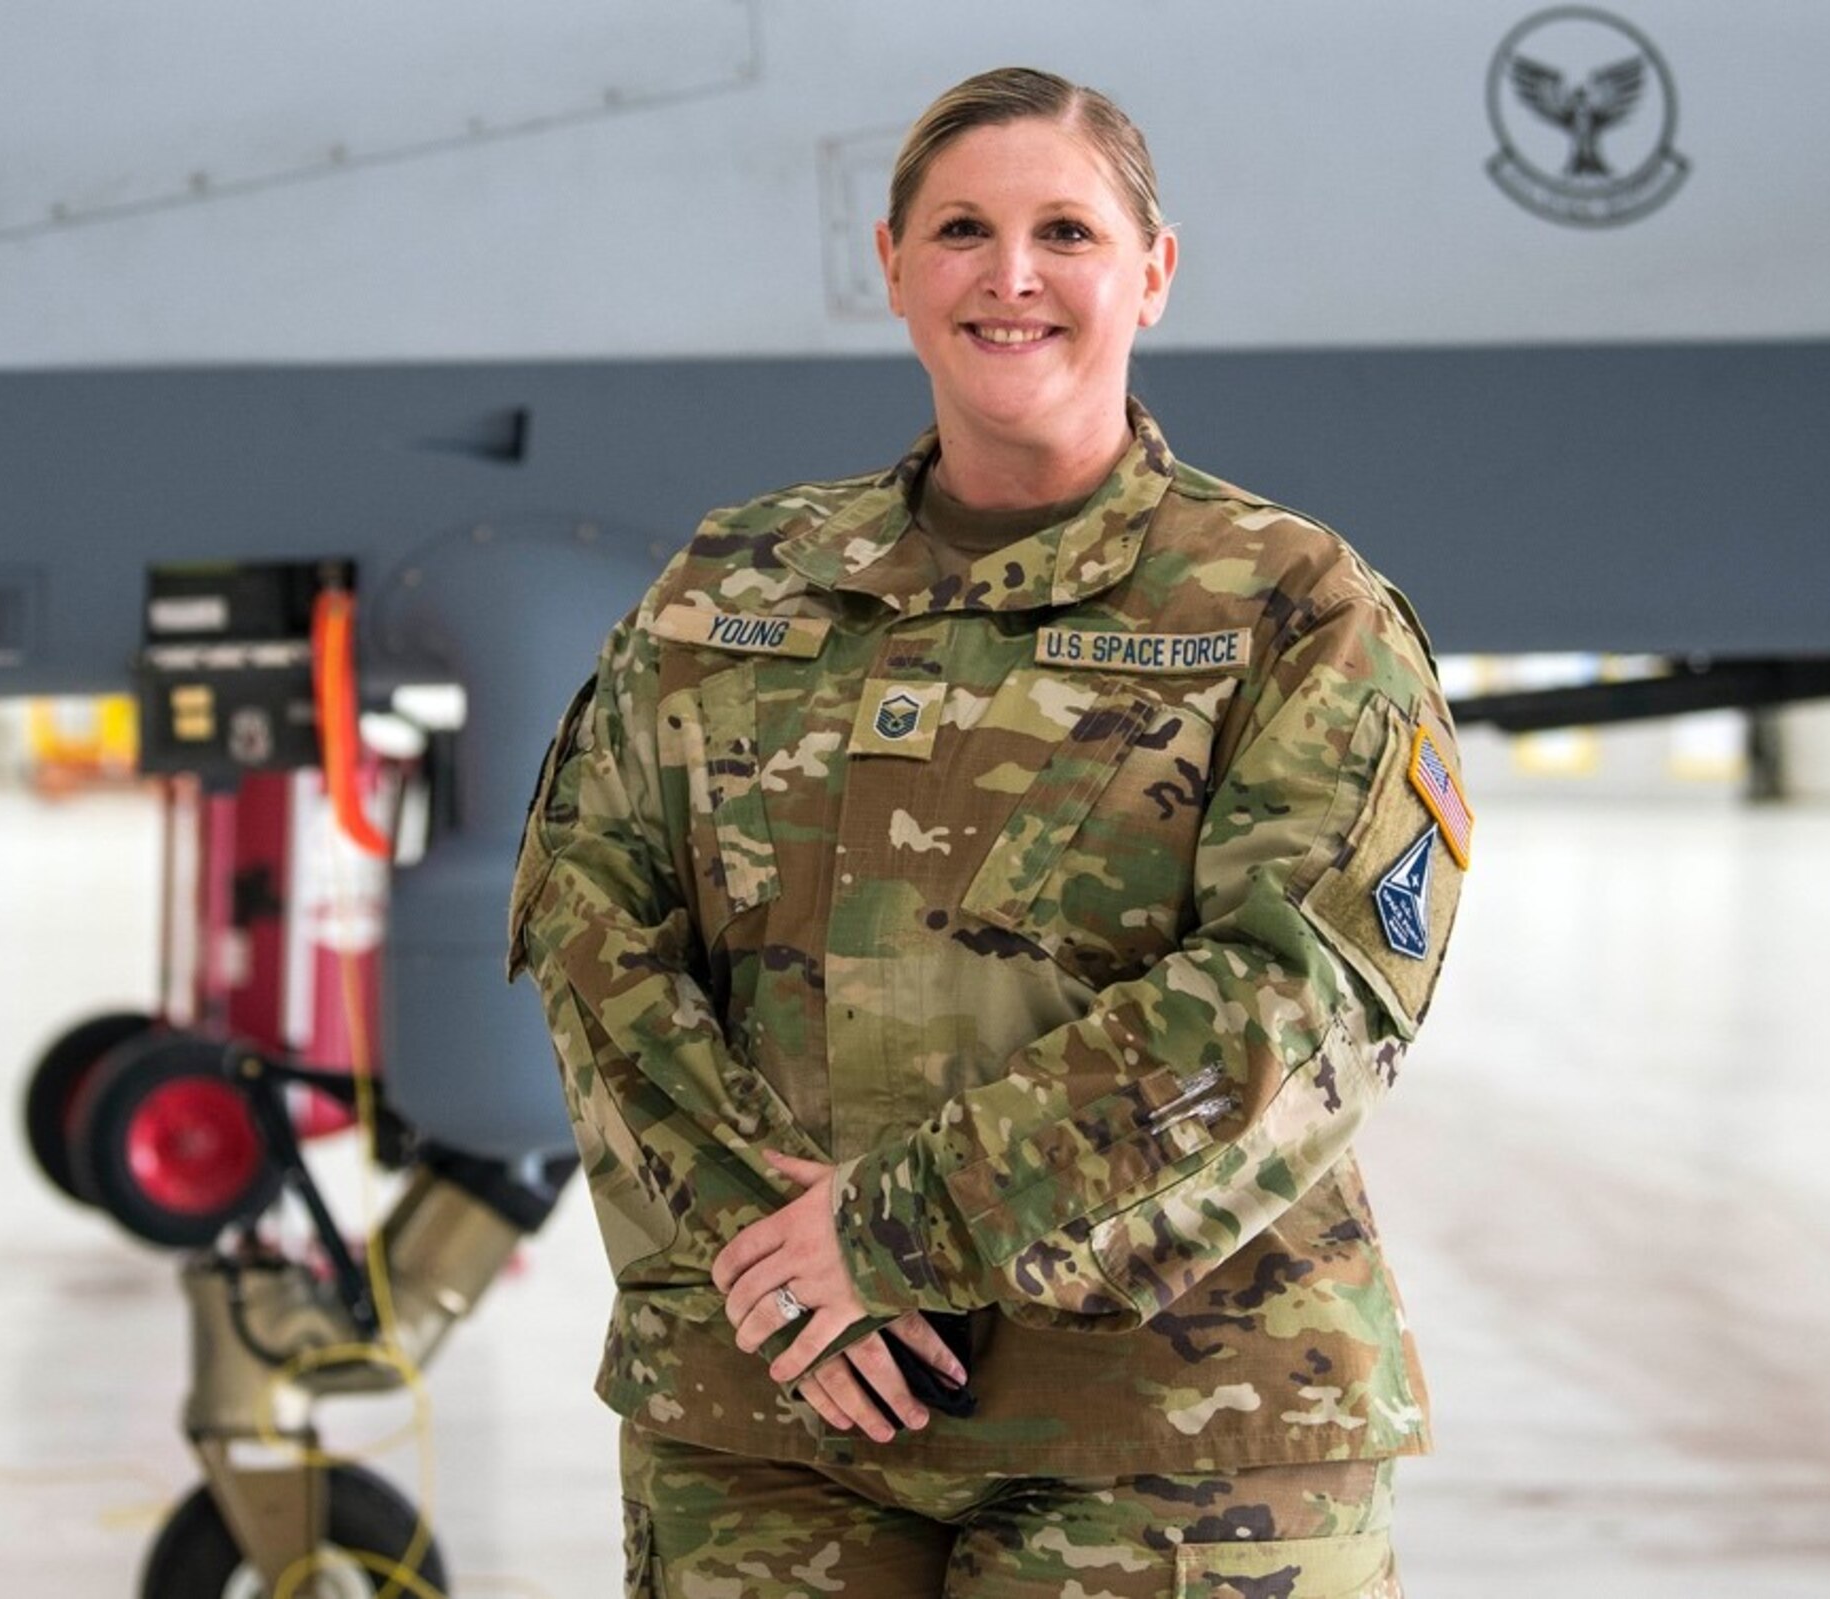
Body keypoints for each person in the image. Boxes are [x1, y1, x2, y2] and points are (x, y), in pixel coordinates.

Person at [509, 64, 1469, 1599]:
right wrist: (783, 1255)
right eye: (963, 228)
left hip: (1168, 1445)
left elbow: (1302, 1002)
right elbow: (585, 921)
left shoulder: (1292, 605)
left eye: (1067, 232)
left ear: (1151, 273)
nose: (1011, 275)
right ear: (893, 268)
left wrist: (888, 1238)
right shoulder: (732, 588)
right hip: (775, 1422)